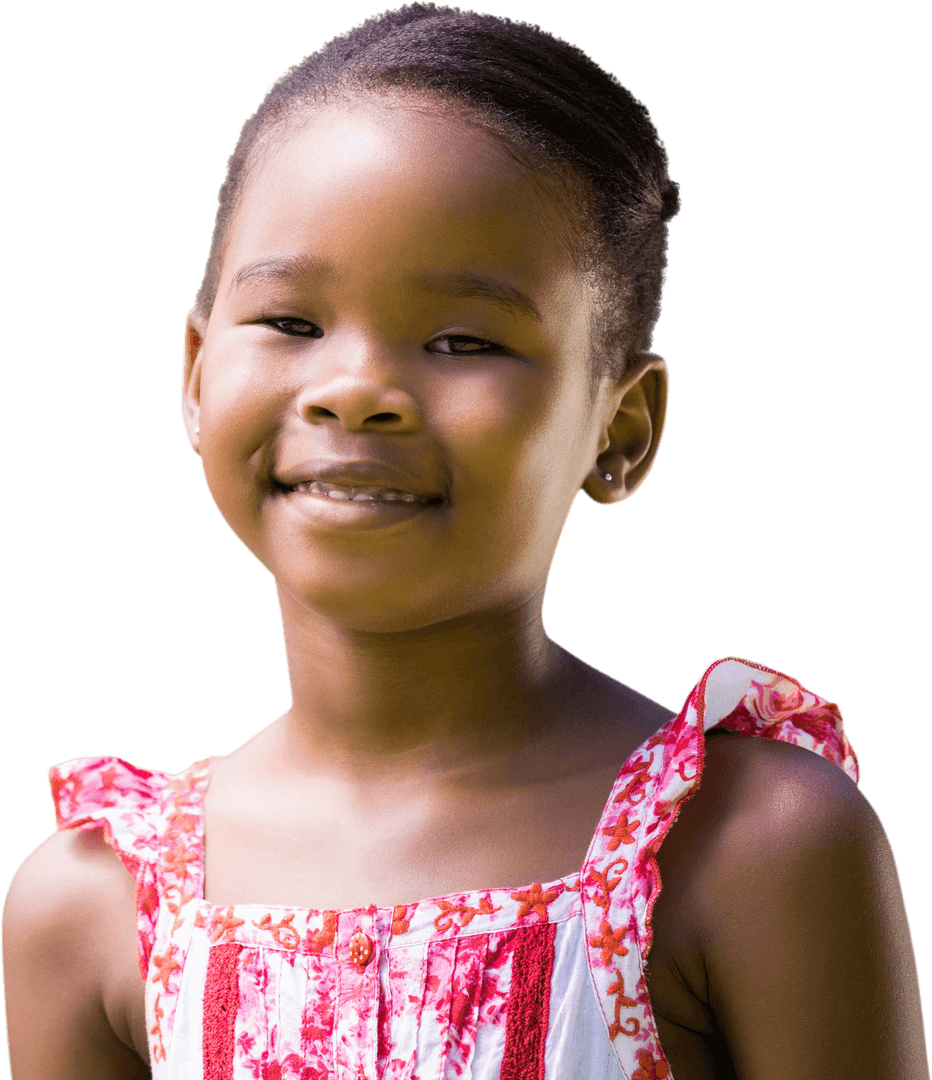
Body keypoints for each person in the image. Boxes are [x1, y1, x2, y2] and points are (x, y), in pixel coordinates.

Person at [2, 4, 927, 1077]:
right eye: (291, 323)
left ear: (618, 430)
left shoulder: (746, 847)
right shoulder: (89, 910)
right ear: (197, 376)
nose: (354, 391)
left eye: (463, 340)